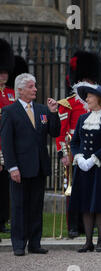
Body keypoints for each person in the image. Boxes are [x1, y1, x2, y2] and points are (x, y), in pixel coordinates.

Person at [0, 73, 61, 256]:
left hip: (39, 167)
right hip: (19, 168)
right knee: (19, 207)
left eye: (35, 86)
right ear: (20, 90)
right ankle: (19, 244)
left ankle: (35, 243)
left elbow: (55, 131)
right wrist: (12, 167)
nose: (35, 89)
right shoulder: (10, 112)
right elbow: (7, 142)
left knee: (36, 206)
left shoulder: (42, 110)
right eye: (31, 87)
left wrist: (53, 112)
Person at [54, 50, 101, 239]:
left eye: (91, 80)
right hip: (74, 151)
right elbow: (61, 132)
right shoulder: (67, 104)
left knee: (91, 189)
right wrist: (63, 154)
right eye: (85, 79)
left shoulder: (99, 104)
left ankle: (87, 225)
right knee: (73, 190)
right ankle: (73, 226)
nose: (89, 84)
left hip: (93, 153)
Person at [68, 82, 101, 253]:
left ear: (99, 99)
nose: (87, 99)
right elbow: (75, 141)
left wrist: (94, 159)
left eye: (90, 96)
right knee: (85, 203)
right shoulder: (83, 118)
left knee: (100, 204)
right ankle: (88, 241)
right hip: (83, 168)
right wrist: (78, 157)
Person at [0, 39, 16, 235]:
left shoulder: (12, 94)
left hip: (9, 145)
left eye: (5, 72)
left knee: (6, 186)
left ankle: (3, 218)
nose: (3, 76)